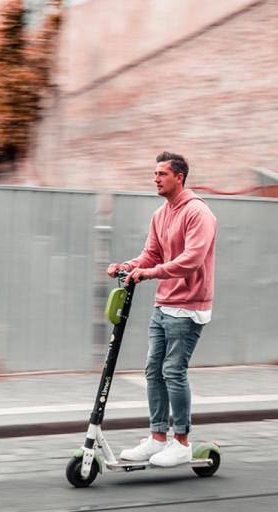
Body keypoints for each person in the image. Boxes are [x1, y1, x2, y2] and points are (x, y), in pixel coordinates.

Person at [106, 152, 217, 467]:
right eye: (154, 173)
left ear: (179, 177)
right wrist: (127, 267)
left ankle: (181, 441)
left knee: (173, 371)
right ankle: (157, 438)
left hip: (189, 305)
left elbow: (191, 260)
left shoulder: (198, 213)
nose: (155, 178)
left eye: (161, 173)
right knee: (153, 371)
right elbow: (151, 254)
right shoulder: (160, 214)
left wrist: (150, 274)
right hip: (164, 304)